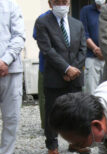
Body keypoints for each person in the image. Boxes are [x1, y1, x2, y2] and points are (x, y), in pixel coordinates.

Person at [34, 0, 89, 154]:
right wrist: (65, 68)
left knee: (76, 111)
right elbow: (47, 49)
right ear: (50, 3)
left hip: (75, 76)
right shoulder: (43, 22)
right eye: (57, 2)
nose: (61, 5)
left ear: (69, 3)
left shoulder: (77, 24)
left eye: (64, 1)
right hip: (54, 75)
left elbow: (82, 48)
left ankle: (76, 142)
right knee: (52, 111)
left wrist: (73, 70)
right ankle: (52, 145)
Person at [0, 0, 25, 154]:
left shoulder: (10, 5)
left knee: (11, 116)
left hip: (11, 69)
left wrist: (5, 60)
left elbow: (19, 36)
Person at [33, 2, 52, 130]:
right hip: (47, 65)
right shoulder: (42, 20)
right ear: (50, 3)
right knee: (45, 98)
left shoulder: (71, 22)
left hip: (67, 66)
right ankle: (47, 126)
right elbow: (38, 37)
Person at [80, 0, 106, 94]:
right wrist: (95, 49)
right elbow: (84, 34)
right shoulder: (85, 11)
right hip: (91, 58)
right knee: (91, 94)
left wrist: (105, 52)